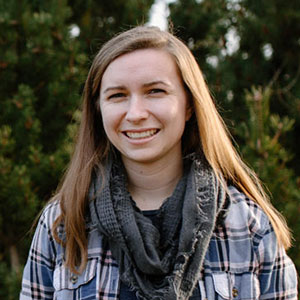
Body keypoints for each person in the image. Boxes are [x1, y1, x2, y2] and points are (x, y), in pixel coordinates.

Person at [20, 26, 298, 300]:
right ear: (98, 109)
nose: (136, 113)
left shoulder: (250, 228)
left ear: (189, 104)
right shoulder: (63, 225)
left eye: (155, 91)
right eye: (117, 95)